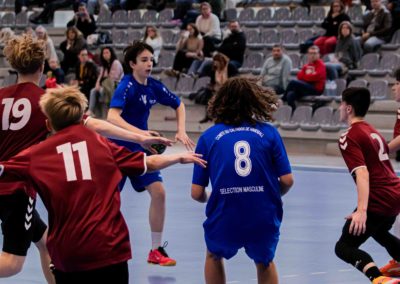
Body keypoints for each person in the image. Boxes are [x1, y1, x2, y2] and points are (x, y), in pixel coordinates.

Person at [0, 33, 173, 283]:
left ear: (14, 66)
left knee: (46, 242)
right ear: (42, 66)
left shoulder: (2, 96)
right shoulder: (43, 102)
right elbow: (96, 126)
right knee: (13, 262)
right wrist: (140, 138)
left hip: (5, 175)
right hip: (16, 189)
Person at [0, 85, 207, 284]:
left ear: (48, 124)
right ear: (82, 119)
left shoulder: (36, 155)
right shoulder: (102, 144)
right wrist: (178, 158)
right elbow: (148, 163)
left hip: (68, 252)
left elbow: (4, 169)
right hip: (110, 248)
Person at [191, 77, 294, 284]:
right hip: (262, 212)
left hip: (225, 211)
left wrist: (213, 195)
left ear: (220, 102)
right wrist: (270, 193)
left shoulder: (208, 137)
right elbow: (288, 180)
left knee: (213, 254)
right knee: (265, 261)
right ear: (254, 101)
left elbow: (196, 193)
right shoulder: (269, 133)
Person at [108, 41, 195, 266]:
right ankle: (99, 248)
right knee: (108, 202)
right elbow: (112, 118)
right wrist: (142, 134)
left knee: (159, 192)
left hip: (140, 150)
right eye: (144, 60)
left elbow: (179, 104)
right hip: (116, 151)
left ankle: (155, 250)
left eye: (151, 59)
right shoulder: (126, 86)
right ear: (132, 64)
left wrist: (181, 129)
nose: (149, 64)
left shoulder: (153, 86)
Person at [335, 87, 400, 284]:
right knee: (378, 231)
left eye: (341, 103)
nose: (339, 107)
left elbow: (362, 173)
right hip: (395, 193)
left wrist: (361, 210)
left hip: (379, 197)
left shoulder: (349, 136)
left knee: (344, 247)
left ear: (348, 108)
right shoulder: (373, 131)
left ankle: (379, 279)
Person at [282, 45, 326, 110]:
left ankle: (282, 99)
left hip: (316, 89)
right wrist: (309, 76)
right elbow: (299, 76)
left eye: (314, 53)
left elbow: (315, 77)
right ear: (308, 55)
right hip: (305, 88)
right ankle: (293, 111)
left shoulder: (321, 65)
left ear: (318, 55)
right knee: (290, 95)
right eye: (311, 53)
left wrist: (306, 76)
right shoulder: (307, 65)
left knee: (293, 82)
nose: (312, 55)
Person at [87, 46, 123, 118]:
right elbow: (100, 76)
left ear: (111, 53)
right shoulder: (104, 65)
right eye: (104, 53)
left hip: (115, 85)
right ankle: (90, 111)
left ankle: (108, 111)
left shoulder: (115, 63)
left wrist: (101, 86)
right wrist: (97, 84)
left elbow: (112, 78)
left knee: (102, 91)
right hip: (106, 85)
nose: (105, 54)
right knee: (93, 91)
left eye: (107, 52)